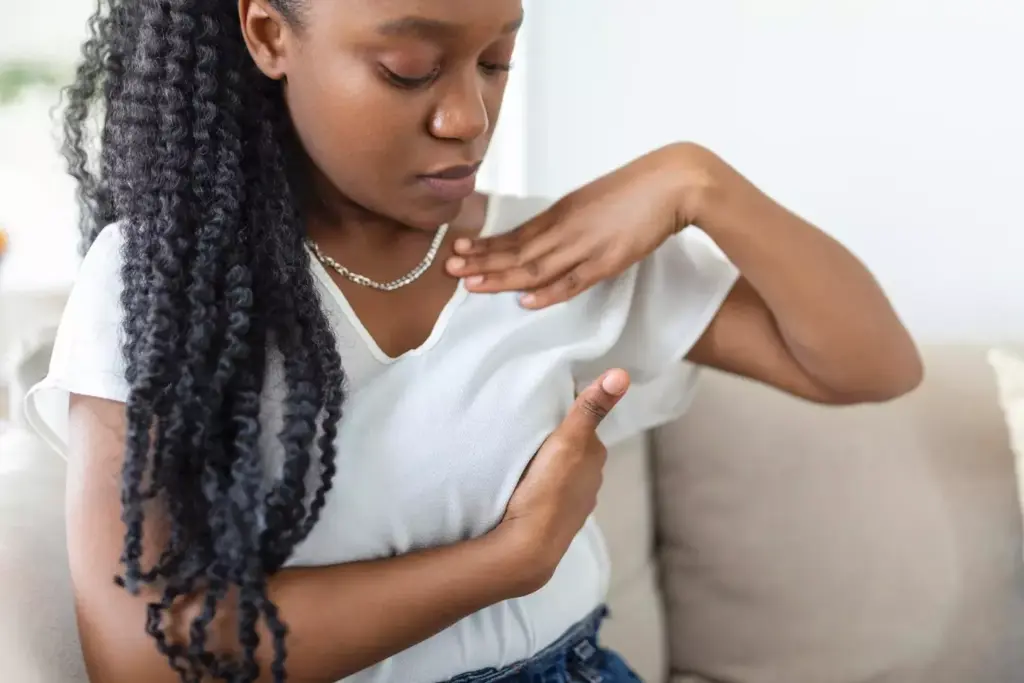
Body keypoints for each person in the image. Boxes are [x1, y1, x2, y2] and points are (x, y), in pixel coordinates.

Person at [22, 0, 923, 681]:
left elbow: (870, 365)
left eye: (497, 60)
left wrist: (700, 181)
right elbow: (140, 655)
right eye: (410, 69)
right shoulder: (168, 281)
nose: (468, 117)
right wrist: (510, 559)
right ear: (267, 35)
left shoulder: (556, 252)